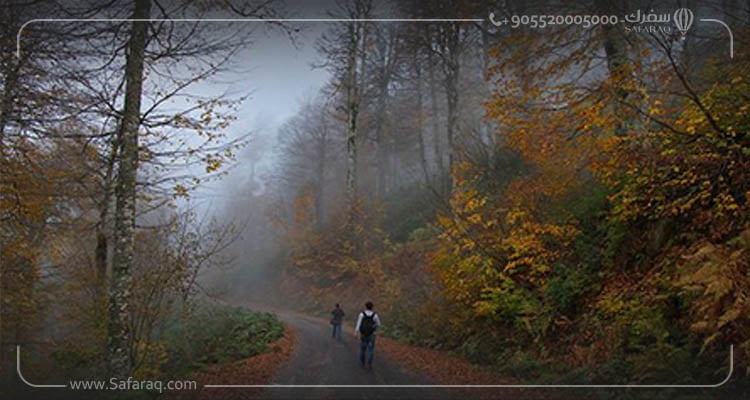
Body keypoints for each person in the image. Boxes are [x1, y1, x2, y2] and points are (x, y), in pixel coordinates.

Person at [354, 301, 380, 369]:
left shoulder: (362, 314)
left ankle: (362, 362)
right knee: (370, 349)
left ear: (365, 306)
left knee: (363, 349)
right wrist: (373, 326)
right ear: (372, 307)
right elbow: (378, 324)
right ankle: (369, 362)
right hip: (372, 334)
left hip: (363, 334)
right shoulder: (375, 315)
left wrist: (356, 332)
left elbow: (358, 324)